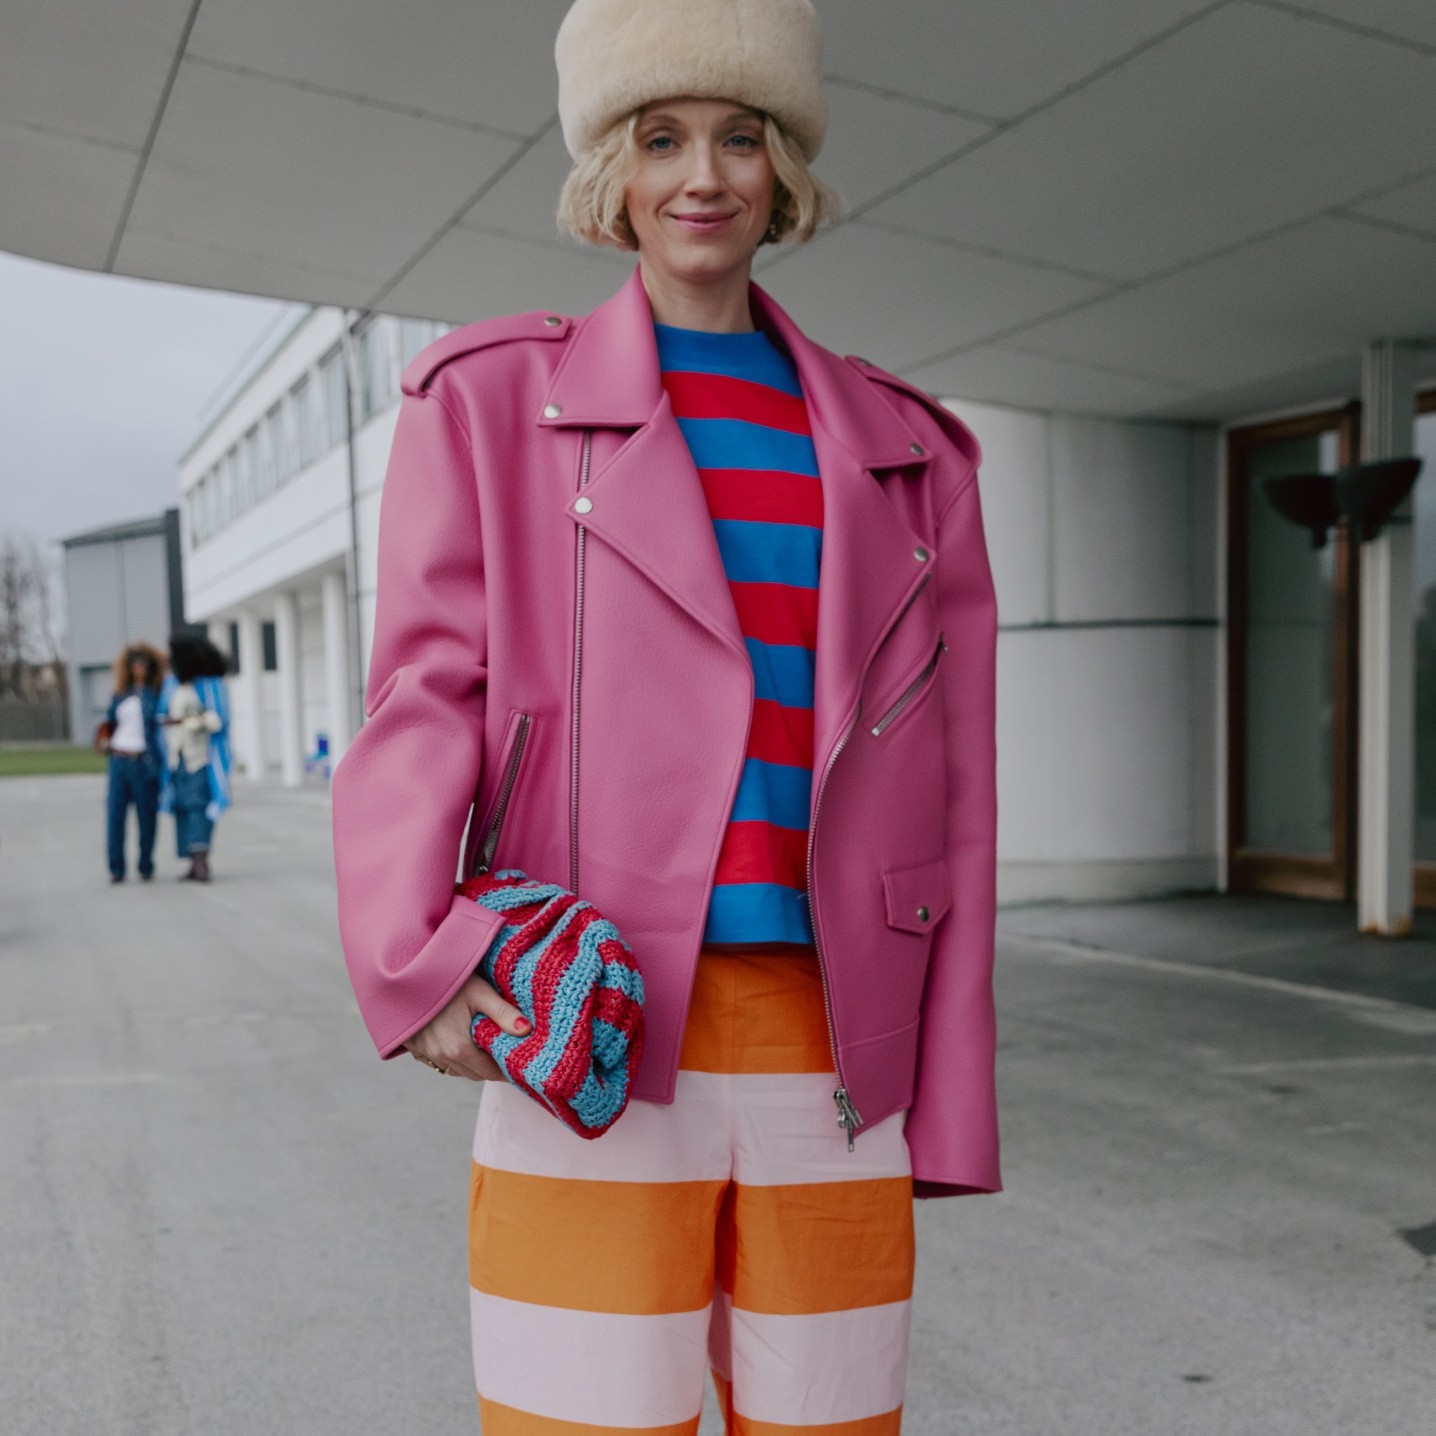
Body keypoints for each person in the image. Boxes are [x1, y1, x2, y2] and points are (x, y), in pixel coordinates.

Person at [332, 1, 999, 1429]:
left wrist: (949, 1080)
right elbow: (423, 697)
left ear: (786, 170)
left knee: (831, 1422)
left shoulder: (907, 451)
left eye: (741, 136)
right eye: (662, 137)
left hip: (838, 1038)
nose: (703, 174)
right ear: (610, 175)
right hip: (596, 1025)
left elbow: (958, 791)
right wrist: (418, 956)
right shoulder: (492, 401)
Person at [159, 632, 233, 883]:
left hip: (202, 757)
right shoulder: (173, 683)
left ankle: (201, 859)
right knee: (182, 808)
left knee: (198, 806)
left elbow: (219, 719)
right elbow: (162, 713)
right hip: (177, 757)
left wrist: (191, 721)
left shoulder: (211, 684)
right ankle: (192, 860)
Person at [102, 642, 166, 883]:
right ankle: (116, 868)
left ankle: (146, 863)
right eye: (134, 664)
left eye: (144, 664)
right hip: (119, 761)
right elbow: (110, 723)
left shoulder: (155, 694)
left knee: (146, 817)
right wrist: (103, 739)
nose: (139, 668)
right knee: (115, 816)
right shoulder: (120, 694)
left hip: (143, 762)